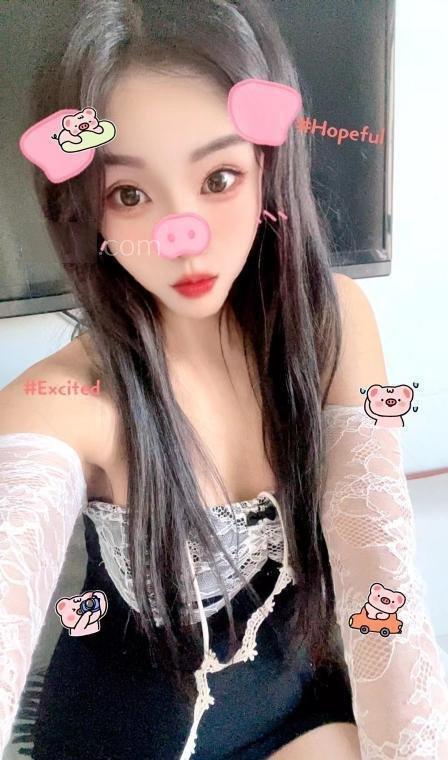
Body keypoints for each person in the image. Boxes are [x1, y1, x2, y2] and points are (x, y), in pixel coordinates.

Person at [1, 1, 447, 758]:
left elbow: (384, 576)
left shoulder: (331, 321)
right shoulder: (64, 401)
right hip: (128, 742)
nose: (185, 238)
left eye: (219, 176)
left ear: (266, 169)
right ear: (89, 210)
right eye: (130, 194)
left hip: (298, 707)